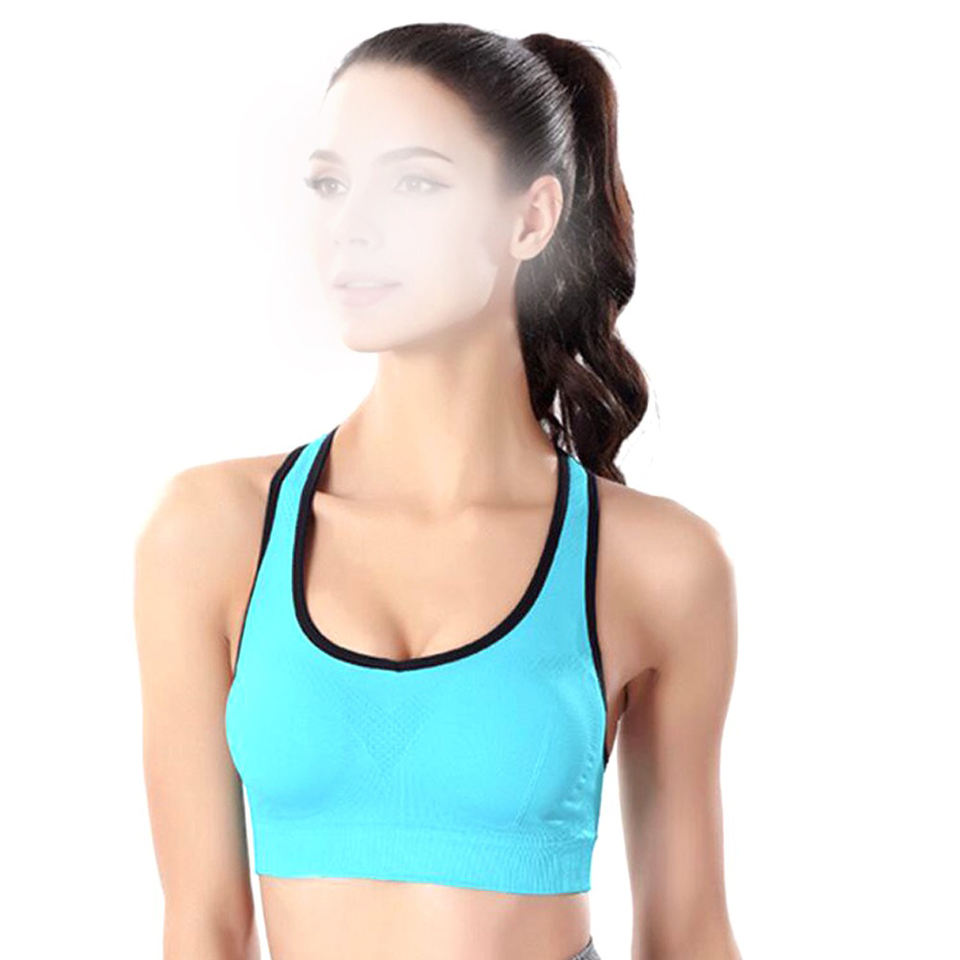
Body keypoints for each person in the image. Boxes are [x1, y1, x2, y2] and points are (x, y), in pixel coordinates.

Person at [134, 23, 741, 960]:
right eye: (330, 184)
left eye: (414, 183)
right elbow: (203, 928)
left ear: (531, 219)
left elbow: (689, 932)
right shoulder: (211, 533)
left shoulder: (656, 564)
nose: (352, 225)